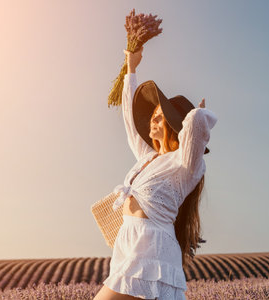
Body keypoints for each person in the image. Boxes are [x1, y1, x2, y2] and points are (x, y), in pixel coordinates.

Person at [93, 47, 218, 300]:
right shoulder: (147, 157)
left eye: (160, 118)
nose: (153, 120)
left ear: (175, 128)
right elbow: (130, 121)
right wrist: (131, 68)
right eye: (154, 115)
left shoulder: (184, 165)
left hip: (151, 248)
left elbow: (194, 133)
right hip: (129, 243)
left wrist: (196, 115)